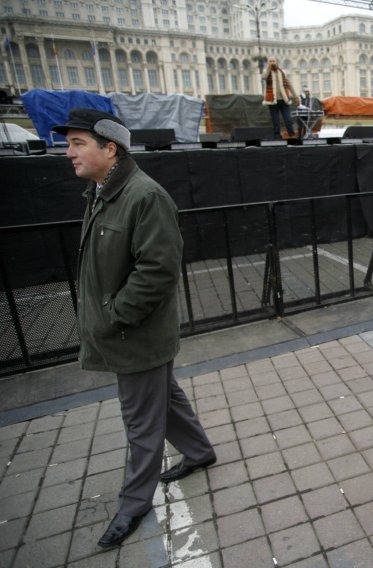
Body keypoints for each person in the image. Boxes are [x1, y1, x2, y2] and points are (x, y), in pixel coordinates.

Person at [53, 108, 216, 548]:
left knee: (141, 423)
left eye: (77, 143)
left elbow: (158, 271)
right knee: (165, 399)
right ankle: (200, 452)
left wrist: (114, 315)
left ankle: (134, 503)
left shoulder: (144, 195)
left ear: (110, 149)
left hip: (135, 335)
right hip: (129, 332)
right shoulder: (104, 191)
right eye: (68, 144)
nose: (68, 152)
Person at [262, 55, 296, 139]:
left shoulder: (282, 71)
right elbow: (264, 77)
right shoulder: (266, 71)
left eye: (273, 61)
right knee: (275, 120)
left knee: (288, 119)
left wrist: (295, 95)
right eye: (270, 61)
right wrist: (269, 68)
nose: (272, 63)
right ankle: (277, 135)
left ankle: (291, 134)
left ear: (276, 62)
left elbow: (288, 84)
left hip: (284, 100)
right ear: (268, 63)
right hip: (272, 100)